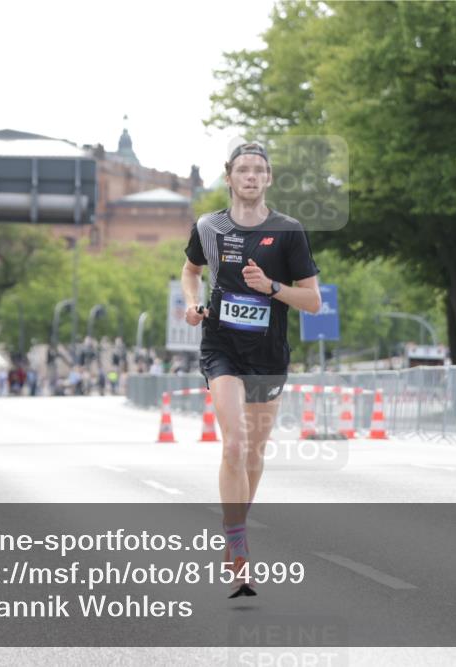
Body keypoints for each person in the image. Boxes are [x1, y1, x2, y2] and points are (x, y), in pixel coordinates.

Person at [182, 141, 321, 597]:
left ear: (269, 179)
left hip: (268, 353)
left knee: (255, 453)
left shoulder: (288, 231)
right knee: (235, 443)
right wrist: (191, 304)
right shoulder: (209, 226)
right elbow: (190, 271)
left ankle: (236, 526)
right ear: (229, 177)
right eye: (243, 169)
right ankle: (237, 543)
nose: (251, 176)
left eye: (259, 170)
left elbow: (313, 302)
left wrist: (272, 286)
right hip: (221, 345)